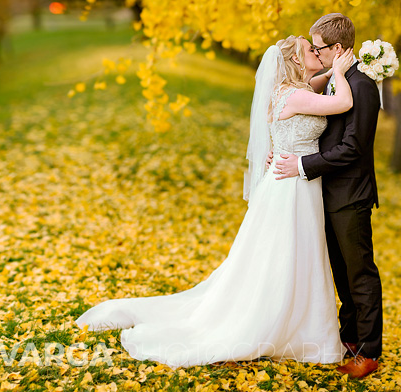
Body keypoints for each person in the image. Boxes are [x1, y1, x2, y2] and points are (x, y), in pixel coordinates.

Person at [74, 36, 358, 368]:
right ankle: (278, 324)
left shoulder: (290, 90)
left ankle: (297, 322)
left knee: (292, 254)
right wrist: (340, 71)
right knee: (287, 254)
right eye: (310, 50)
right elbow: (342, 104)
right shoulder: (295, 95)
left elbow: (315, 83)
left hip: (289, 181)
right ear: (295, 62)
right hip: (291, 184)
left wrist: (334, 70)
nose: (317, 52)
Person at [272, 13, 383, 380]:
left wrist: (303, 164)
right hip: (326, 192)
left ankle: (368, 352)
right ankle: (348, 337)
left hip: (350, 194)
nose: (315, 53)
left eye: (318, 48)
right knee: (340, 273)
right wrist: (281, 148)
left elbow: (353, 147)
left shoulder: (362, 85)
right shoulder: (337, 80)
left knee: (359, 273)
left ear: (337, 48)